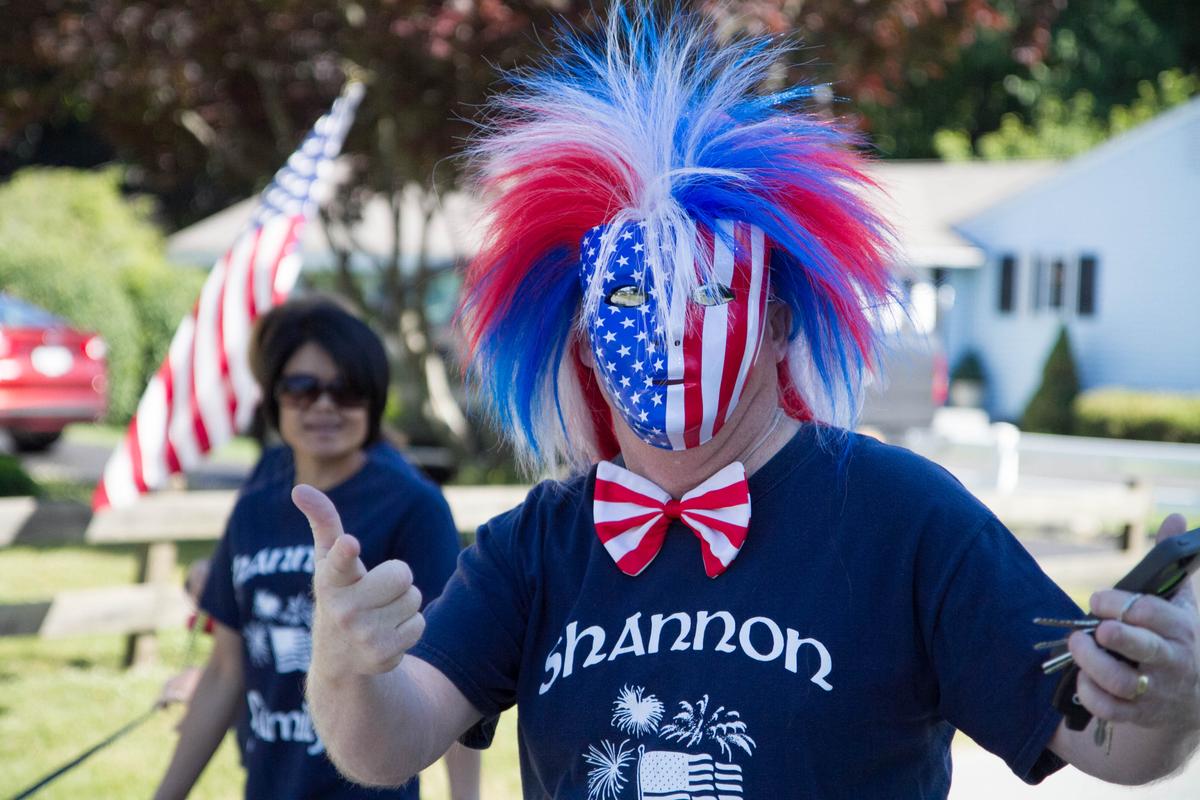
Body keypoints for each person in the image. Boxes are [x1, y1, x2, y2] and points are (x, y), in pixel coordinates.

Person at [293, 7, 1200, 798]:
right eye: (631, 299)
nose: (670, 332)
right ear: (582, 344)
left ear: (777, 324)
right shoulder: (539, 543)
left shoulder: (906, 519)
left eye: (710, 292)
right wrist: (343, 666)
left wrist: (1173, 693)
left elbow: (1107, 742)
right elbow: (387, 746)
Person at [154, 297, 480, 799]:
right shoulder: (255, 506)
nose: (324, 405)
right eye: (301, 388)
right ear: (275, 398)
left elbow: (450, 669)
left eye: (346, 390)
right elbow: (224, 670)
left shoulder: (413, 505)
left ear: (372, 400)